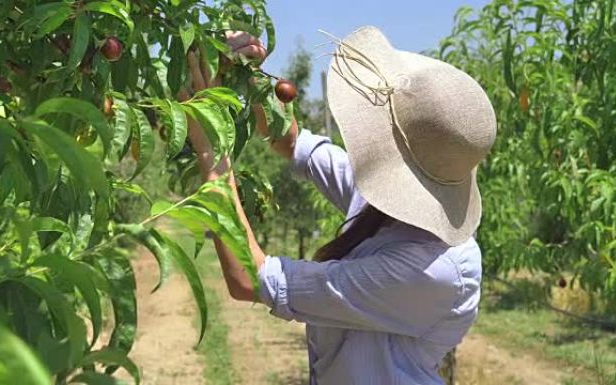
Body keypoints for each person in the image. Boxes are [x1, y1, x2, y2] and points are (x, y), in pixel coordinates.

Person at [179, 26, 496, 385]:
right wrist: (250, 77)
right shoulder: (387, 194)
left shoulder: (434, 271)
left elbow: (251, 280)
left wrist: (211, 150)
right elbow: (294, 144)